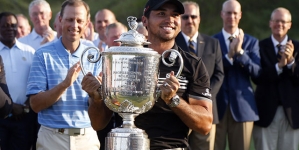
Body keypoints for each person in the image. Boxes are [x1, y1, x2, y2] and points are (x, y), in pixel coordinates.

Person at [83, 0, 213, 149]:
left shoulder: (192, 64)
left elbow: (205, 125)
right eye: (161, 13)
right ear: (144, 20)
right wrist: (97, 98)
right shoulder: (122, 60)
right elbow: (98, 124)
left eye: (175, 15)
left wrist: (173, 100)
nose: (169, 19)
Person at [26, 0, 101, 149]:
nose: (74, 25)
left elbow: (99, 105)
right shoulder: (42, 54)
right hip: (52, 138)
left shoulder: (94, 54)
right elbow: (35, 104)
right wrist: (65, 84)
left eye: (79, 21)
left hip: (87, 137)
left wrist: (97, 94)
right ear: (60, 20)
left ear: (86, 24)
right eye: (69, 20)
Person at [175, 1, 224, 150]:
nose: (190, 20)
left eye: (193, 17)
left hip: (206, 111)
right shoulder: (172, 43)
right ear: (179, 19)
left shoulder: (213, 43)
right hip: (178, 111)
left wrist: (205, 98)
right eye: (185, 17)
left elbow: (219, 74)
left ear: (199, 19)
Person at [212, 0, 261, 150]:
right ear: (222, 14)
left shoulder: (251, 42)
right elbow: (212, 72)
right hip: (217, 106)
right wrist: (229, 56)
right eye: (228, 12)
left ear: (240, 15)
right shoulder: (212, 42)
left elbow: (258, 74)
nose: (231, 16)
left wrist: (240, 53)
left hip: (243, 108)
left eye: (235, 13)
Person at [252, 7, 299, 150]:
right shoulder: (259, 46)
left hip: (292, 113)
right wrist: (279, 66)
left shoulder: (297, 47)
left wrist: (291, 61)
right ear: (270, 23)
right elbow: (257, 77)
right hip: (265, 113)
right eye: (276, 21)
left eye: (283, 21)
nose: (280, 24)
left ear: (290, 24)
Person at [0, 11, 36, 150]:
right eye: (5, 25)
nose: (10, 29)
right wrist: (10, 106)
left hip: (24, 117)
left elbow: (36, 82)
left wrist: (25, 106)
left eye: (13, 25)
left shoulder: (29, 51)